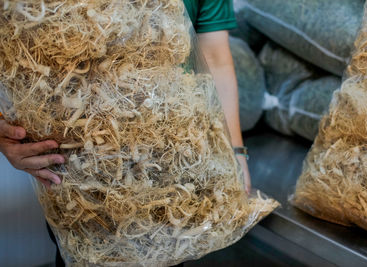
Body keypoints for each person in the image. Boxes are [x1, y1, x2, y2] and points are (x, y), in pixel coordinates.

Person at [0, 0, 250, 266]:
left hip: (172, 155)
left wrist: (235, 151)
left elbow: (215, 58)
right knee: (90, 252)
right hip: (79, 170)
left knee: (171, 251)